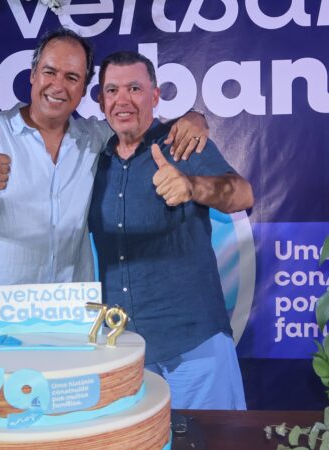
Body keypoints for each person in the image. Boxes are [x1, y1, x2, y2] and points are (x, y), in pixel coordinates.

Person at [0, 28, 209, 335]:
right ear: (33, 75)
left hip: (68, 319)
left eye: (72, 77)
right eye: (49, 72)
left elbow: (142, 124)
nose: (58, 85)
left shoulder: (95, 137)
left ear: (84, 90)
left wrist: (195, 118)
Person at [89, 50, 254, 410]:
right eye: (112, 90)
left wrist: (192, 186)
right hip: (125, 349)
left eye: (135, 88)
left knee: (214, 437)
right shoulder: (92, 158)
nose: (123, 100)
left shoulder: (181, 143)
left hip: (193, 344)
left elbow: (242, 195)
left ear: (155, 95)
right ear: (101, 100)